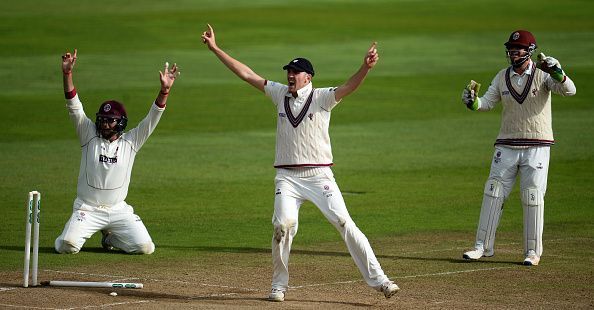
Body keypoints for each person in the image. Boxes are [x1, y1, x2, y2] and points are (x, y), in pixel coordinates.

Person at [201, 24, 399, 302]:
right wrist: (216, 49)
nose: (290, 76)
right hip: (287, 178)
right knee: (282, 226)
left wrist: (365, 68)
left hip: (320, 176)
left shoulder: (322, 97)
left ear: (308, 77)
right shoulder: (279, 93)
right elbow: (247, 74)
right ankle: (278, 286)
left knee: (345, 223)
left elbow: (348, 87)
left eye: (295, 72)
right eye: (288, 72)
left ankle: (381, 280)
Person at [461, 30, 576, 265]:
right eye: (511, 50)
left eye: (518, 49)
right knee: (493, 192)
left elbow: (570, 90)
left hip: (537, 145)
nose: (514, 53)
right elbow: (486, 103)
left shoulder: (544, 75)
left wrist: (558, 72)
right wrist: (473, 102)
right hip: (507, 143)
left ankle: (532, 253)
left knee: (532, 196)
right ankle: (482, 247)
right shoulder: (502, 76)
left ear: (529, 51)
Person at [54, 49, 180, 254]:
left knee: (145, 247)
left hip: (118, 210)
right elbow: (74, 106)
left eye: (110, 120)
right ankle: (68, 235)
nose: (104, 124)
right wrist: (67, 74)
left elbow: (152, 118)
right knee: (68, 246)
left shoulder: (131, 141)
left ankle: (111, 238)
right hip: (88, 209)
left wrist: (164, 91)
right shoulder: (88, 135)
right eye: (102, 120)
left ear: (120, 122)